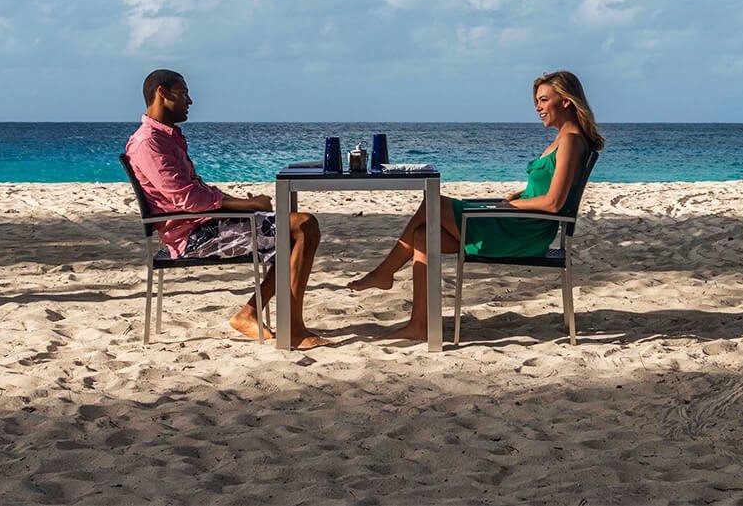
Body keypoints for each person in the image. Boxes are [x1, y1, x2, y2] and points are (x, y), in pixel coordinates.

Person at [348, 69, 604, 342]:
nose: (538, 107)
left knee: (433, 204)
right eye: (536, 102)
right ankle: (419, 325)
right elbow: (545, 187)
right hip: (517, 223)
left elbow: (554, 203)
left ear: (566, 101)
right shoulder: (564, 139)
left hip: (523, 232)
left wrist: (510, 207)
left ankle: (384, 272)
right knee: (424, 235)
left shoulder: (571, 141)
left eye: (543, 100)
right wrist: (518, 196)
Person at [124, 69, 328, 347]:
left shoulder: (166, 137)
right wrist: (250, 205)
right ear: (162, 93)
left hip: (205, 223)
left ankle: (250, 313)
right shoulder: (149, 143)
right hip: (193, 236)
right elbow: (189, 200)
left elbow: (197, 192)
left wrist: (244, 206)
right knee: (303, 225)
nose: (190, 101)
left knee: (298, 230)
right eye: (183, 93)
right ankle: (291, 328)